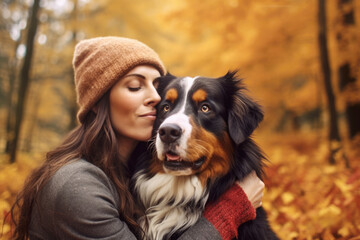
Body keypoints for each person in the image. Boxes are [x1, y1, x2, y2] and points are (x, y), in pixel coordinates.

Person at [9, 37, 265, 240]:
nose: (155, 99)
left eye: (157, 87)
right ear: (98, 103)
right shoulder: (77, 185)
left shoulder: (126, 175)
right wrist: (232, 210)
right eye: (135, 86)